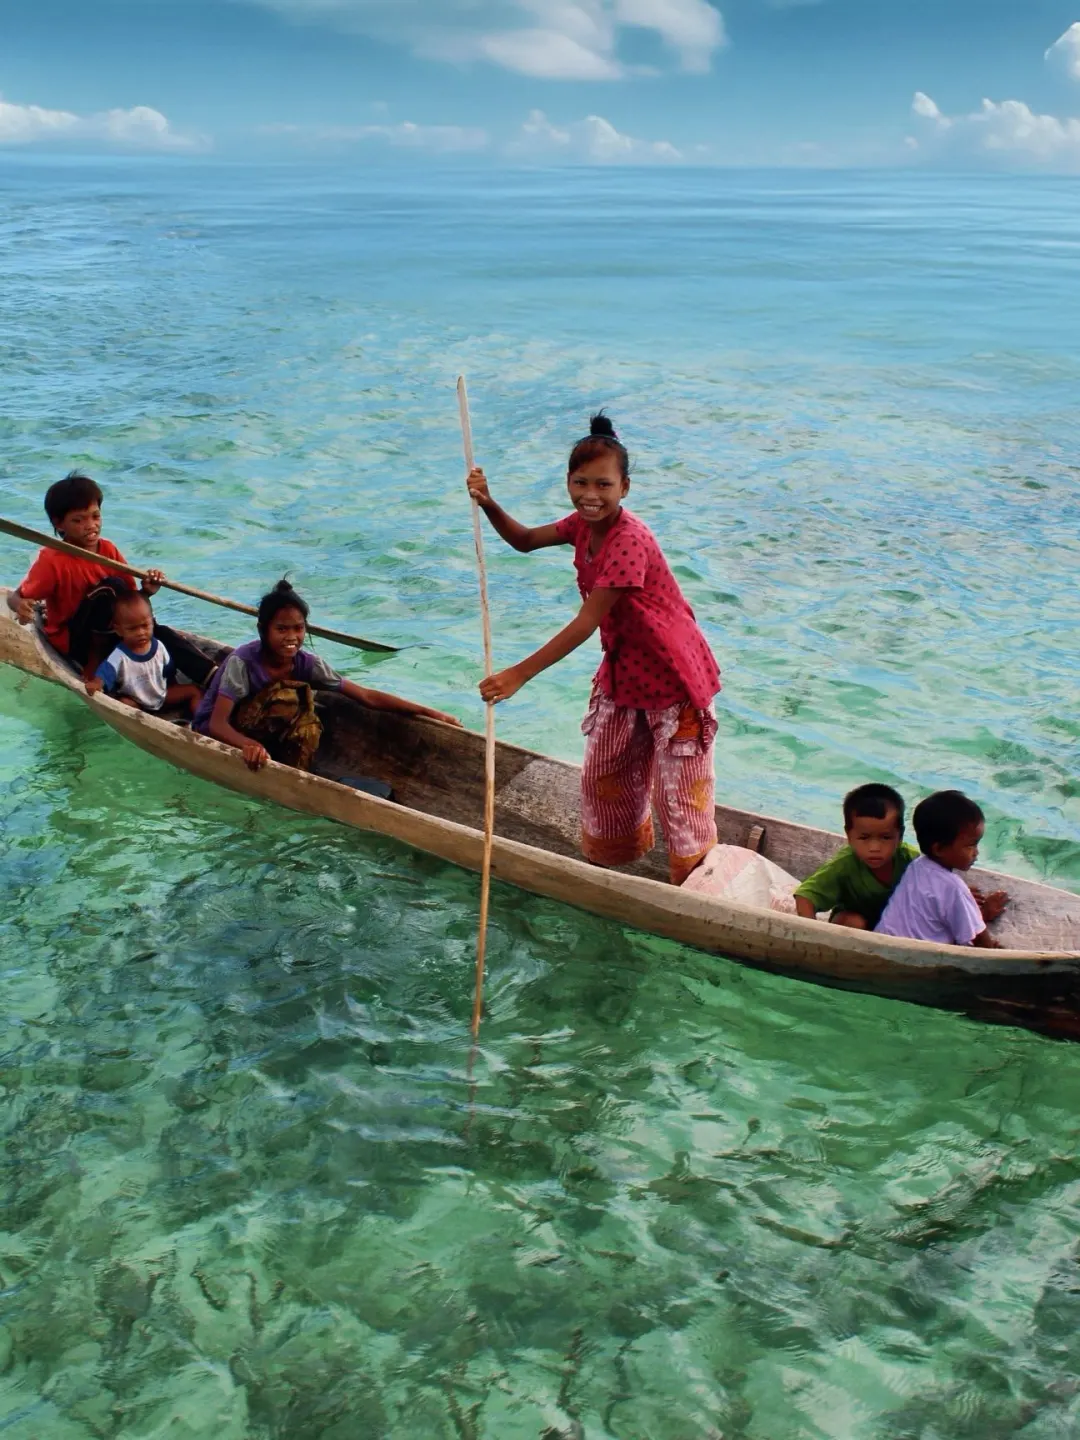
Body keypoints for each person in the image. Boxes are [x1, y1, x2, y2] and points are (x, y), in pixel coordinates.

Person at [467, 412, 721, 885]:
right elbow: (523, 540)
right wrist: (487, 503)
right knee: (605, 776)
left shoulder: (629, 540)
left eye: (603, 485)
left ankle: (697, 886)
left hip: (671, 677)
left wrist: (519, 673)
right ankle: (613, 868)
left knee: (680, 798)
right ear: (568, 482)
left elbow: (588, 621)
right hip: (627, 670)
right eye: (581, 482)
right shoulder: (582, 525)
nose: (590, 495)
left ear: (624, 488)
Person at [193, 578, 460, 771]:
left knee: (308, 722)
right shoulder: (242, 662)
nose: (292, 637)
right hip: (221, 730)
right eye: (282, 629)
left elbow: (366, 696)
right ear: (263, 629)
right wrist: (248, 745)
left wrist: (431, 713)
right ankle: (271, 759)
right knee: (286, 697)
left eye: (298, 629)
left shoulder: (308, 663)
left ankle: (295, 771)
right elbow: (216, 724)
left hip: (262, 732)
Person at [6, 471, 214, 684]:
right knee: (109, 589)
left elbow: (129, 601)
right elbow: (13, 597)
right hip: (78, 641)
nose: (91, 525)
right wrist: (21, 605)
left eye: (95, 516)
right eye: (78, 520)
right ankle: (95, 663)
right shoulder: (52, 560)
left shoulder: (108, 549)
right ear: (59, 524)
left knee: (160, 632)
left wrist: (146, 591)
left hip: (116, 631)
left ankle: (212, 676)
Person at [875, 790, 1008, 948]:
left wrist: (961, 902)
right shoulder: (954, 888)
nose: (976, 852)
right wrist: (984, 916)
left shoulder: (916, 866)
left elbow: (932, 902)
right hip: (917, 957)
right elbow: (979, 940)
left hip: (881, 942)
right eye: (971, 845)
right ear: (939, 849)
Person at [794, 783, 918, 929]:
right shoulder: (845, 863)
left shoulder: (911, 860)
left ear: (900, 835)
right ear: (849, 835)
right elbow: (805, 898)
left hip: (895, 926)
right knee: (855, 922)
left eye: (886, 837)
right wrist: (812, 935)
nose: (874, 848)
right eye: (864, 838)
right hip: (852, 924)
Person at [85, 591, 202, 716]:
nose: (141, 632)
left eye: (145, 626)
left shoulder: (159, 647)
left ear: (152, 622)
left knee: (194, 691)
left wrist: (172, 688)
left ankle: (199, 723)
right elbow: (105, 674)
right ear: (118, 630)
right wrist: (96, 683)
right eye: (132, 629)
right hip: (137, 701)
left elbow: (168, 672)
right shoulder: (119, 655)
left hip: (161, 695)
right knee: (124, 703)